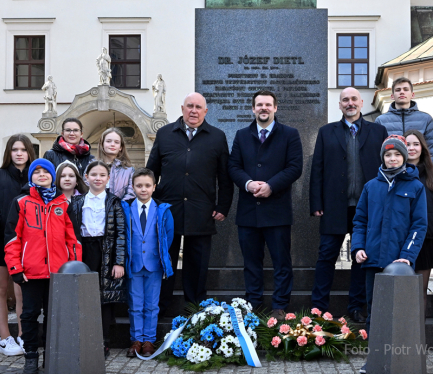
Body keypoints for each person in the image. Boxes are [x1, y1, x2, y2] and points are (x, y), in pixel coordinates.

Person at [147, 92, 233, 310]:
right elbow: (151, 171)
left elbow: (224, 176)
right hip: (168, 210)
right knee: (165, 261)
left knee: (198, 263)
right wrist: (151, 204)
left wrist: (223, 206)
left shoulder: (217, 136)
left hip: (202, 210)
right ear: (182, 108)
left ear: (205, 111)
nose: (193, 111)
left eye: (198, 107)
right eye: (190, 106)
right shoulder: (165, 134)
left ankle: (194, 307)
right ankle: (162, 307)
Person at [308, 87, 387, 321]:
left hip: (367, 207)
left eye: (354, 99)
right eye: (345, 100)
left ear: (361, 103)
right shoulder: (326, 132)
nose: (350, 103)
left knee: (360, 258)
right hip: (333, 205)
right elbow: (317, 170)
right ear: (339, 105)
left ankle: (356, 307)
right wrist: (316, 202)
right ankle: (318, 307)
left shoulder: (378, 131)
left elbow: (385, 169)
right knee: (326, 257)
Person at [228, 89, 303, 320]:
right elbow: (233, 167)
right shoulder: (241, 135)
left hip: (277, 210)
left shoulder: (290, 134)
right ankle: (253, 303)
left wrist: (271, 185)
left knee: (282, 262)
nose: (263, 108)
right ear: (253, 109)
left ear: (275, 108)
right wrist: (249, 184)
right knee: (251, 263)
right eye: (259, 105)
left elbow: (294, 167)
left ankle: (280, 305)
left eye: (268, 105)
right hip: (249, 211)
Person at [350, 136, 427, 351]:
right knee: (374, 308)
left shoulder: (416, 187)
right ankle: (375, 354)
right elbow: (359, 221)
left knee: (399, 311)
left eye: (397, 155)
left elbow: (419, 225)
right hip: (372, 259)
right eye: (388, 155)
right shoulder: (371, 186)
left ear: (404, 157)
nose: (392, 159)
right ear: (383, 157)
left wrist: (407, 256)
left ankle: (398, 355)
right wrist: (358, 247)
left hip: (399, 261)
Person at [4, 158, 81, 374]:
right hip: (30, 272)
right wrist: (15, 268)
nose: (41, 175)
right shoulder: (21, 203)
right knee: (29, 314)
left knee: (53, 315)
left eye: (45, 171)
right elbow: (12, 239)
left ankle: (51, 354)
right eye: (36, 172)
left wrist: (73, 268)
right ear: (31, 177)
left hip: (58, 273)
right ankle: (30, 355)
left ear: (51, 176)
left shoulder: (64, 204)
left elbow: (73, 239)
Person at [0, 134, 38, 357]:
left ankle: (24, 336)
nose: (19, 153)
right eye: (15, 149)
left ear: (30, 153)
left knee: (23, 291)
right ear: (9, 152)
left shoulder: (36, 179)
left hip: (28, 245)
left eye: (23, 150)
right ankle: (5, 338)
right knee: (0, 289)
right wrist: (5, 221)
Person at [68, 160, 127, 358]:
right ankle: (82, 338)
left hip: (107, 253)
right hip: (84, 251)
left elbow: (120, 234)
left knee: (105, 298)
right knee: (83, 295)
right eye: (94, 175)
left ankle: (103, 341)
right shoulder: (77, 202)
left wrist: (118, 262)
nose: (98, 178)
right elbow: (70, 232)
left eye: (102, 175)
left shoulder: (114, 202)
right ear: (86, 178)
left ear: (108, 179)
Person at [122, 168, 174, 358]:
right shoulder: (126, 208)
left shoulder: (163, 210)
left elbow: (168, 236)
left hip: (154, 265)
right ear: (133, 187)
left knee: (152, 304)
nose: (143, 189)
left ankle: (149, 340)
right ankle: (136, 340)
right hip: (134, 264)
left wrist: (160, 257)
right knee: (135, 303)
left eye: (147, 186)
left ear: (154, 187)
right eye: (139, 186)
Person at [404, 130, 433, 316]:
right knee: (400, 291)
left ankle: (417, 336)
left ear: (422, 148)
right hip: (400, 241)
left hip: (425, 243)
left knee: (419, 291)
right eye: (408, 144)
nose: (412, 148)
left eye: (416, 144)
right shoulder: (395, 176)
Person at [375, 77, 433, 164]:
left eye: (405, 89)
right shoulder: (381, 121)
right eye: (398, 90)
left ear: (412, 94)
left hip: (419, 172)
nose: (402, 92)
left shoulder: (426, 119)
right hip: (392, 172)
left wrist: (425, 171)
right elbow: (377, 150)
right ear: (392, 96)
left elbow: (432, 149)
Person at [96, 127, 136, 201]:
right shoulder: (92, 166)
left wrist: (116, 208)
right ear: (102, 144)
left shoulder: (129, 170)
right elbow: (86, 189)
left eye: (116, 142)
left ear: (120, 147)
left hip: (119, 210)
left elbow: (131, 193)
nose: (112, 144)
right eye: (108, 141)